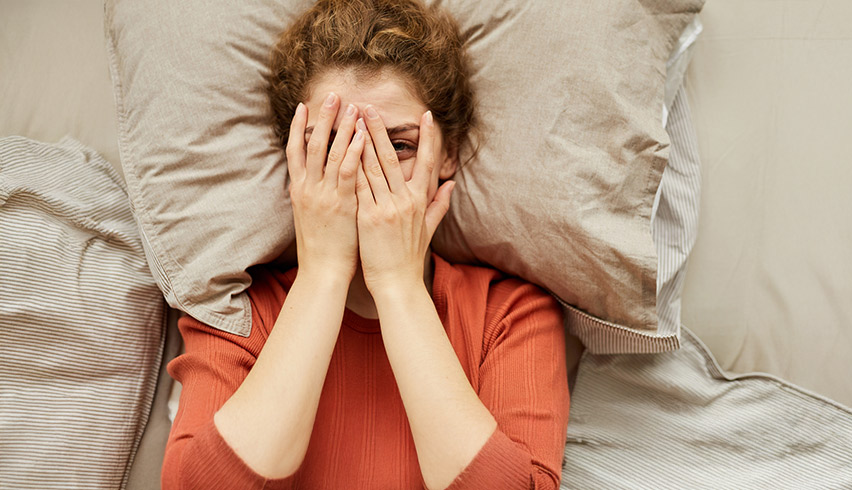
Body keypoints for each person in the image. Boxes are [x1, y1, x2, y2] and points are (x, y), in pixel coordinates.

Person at [161, 0, 569, 488]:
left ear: (448, 155)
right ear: (294, 159)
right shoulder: (239, 311)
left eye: (398, 146)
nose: (358, 173)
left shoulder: (509, 314)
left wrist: (398, 284)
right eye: (330, 147)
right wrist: (323, 273)